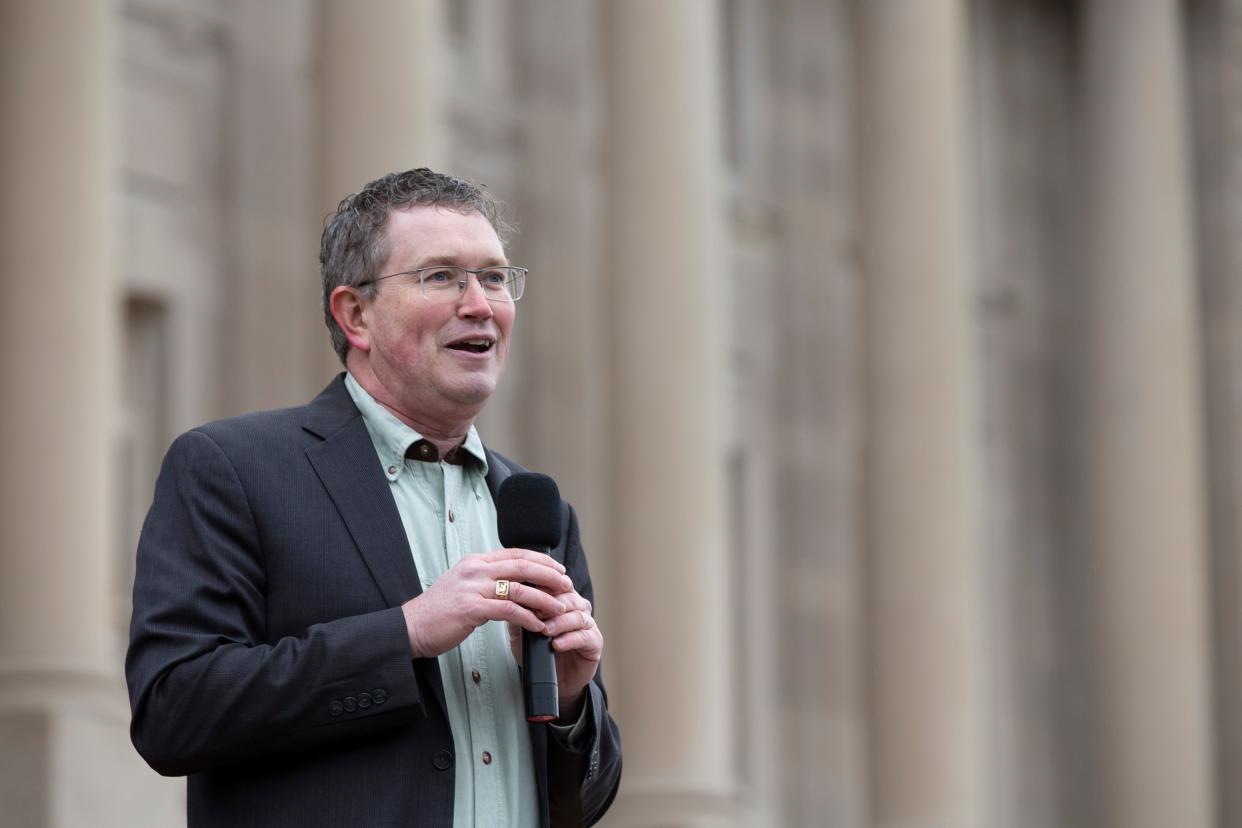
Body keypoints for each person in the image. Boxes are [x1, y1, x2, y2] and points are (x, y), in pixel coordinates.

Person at [125, 168, 622, 827]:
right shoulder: (234, 470)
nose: (480, 304)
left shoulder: (535, 510)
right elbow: (173, 711)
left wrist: (570, 702)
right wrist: (406, 632)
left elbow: (579, 803)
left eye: (496, 278)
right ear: (354, 314)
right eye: (441, 276)